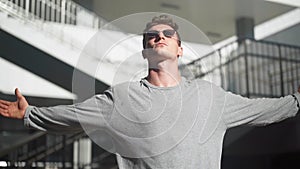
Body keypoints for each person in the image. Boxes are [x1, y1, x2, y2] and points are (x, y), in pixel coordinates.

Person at [0, 14, 300, 169]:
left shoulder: (212, 97)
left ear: (180, 49)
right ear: (145, 51)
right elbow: (71, 116)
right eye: (151, 36)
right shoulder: (121, 98)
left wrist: (297, 101)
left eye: (168, 34)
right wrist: (29, 113)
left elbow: (263, 110)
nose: (159, 37)